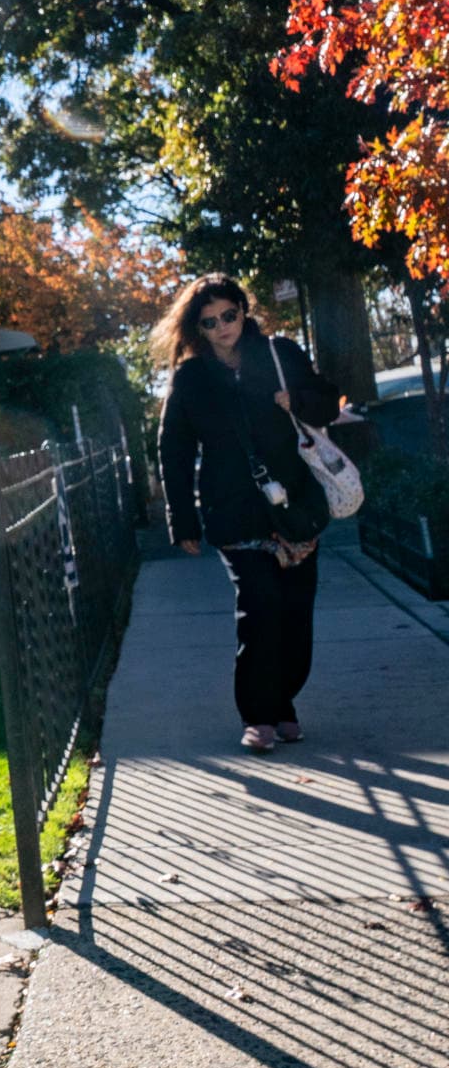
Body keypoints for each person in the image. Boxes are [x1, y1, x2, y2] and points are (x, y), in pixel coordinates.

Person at [155, 274, 342, 753]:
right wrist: (183, 520)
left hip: (296, 507)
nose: (222, 327)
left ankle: (283, 705)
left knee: (296, 616)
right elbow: (173, 449)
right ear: (198, 328)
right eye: (210, 321)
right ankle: (258, 715)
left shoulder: (280, 354)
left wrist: (295, 401)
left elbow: (327, 401)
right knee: (260, 610)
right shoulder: (192, 378)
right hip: (234, 512)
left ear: (244, 310)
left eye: (229, 315)